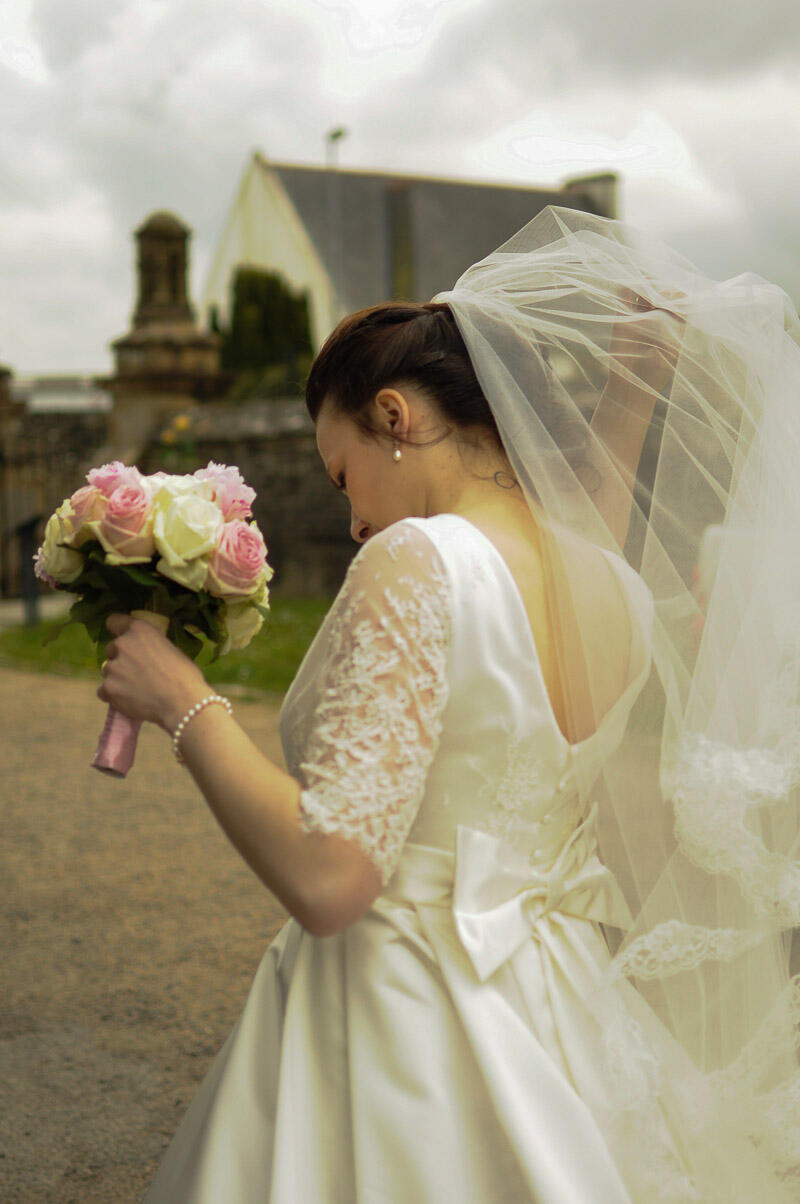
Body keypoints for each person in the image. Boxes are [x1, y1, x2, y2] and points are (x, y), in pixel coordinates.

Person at [100, 206, 800, 1202]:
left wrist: (183, 703)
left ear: (394, 415)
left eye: (344, 476)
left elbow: (333, 875)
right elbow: (585, 515)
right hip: (562, 1006)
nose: (350, 520)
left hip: (405, 1011)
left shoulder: (417, 560)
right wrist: (631, 387)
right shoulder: (613, 587)